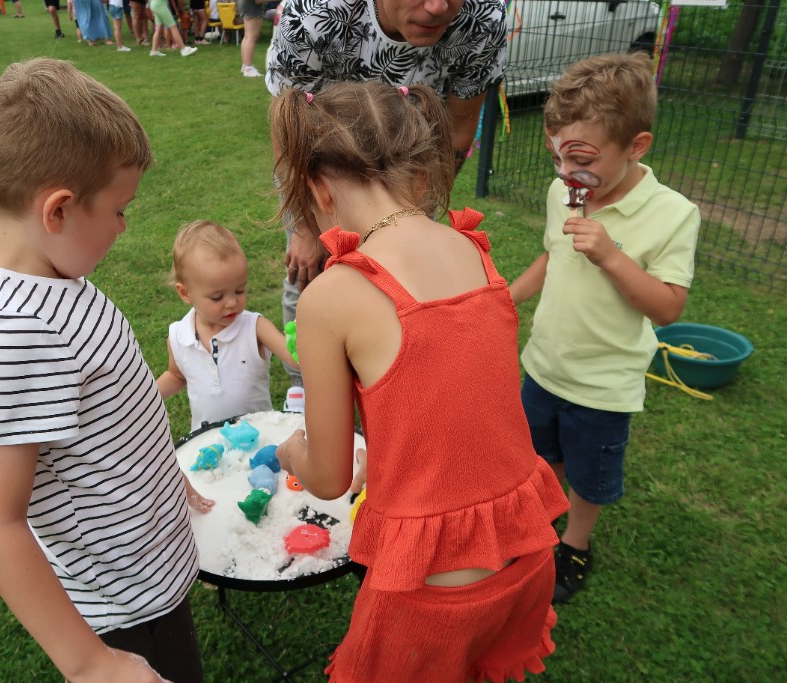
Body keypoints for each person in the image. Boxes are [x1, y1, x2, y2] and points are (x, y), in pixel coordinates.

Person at [271, 80, 569, 682]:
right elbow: (447, 407)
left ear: (318, 188)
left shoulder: (331, 296)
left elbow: (326, 478)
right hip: (527, 555)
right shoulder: (470, 247)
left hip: (432, 589)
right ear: (419, 173)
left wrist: (292, 451)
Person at [0, 58, 204, 683]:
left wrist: (160, 480)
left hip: (148, 563)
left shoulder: (52, 278)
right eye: (119, 209)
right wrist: (91, 662)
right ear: (58, 211)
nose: (124, 225)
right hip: (125, 606)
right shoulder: (14, 334)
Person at [508, 52, 701, 605]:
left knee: (590, 476)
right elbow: (553, 255)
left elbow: (668, 308)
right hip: (544, 364)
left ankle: (575, 543)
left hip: (603, 385)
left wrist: (612, 256)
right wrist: (505, 299)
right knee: (541, 455)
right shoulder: (563, 193)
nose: (566, 174)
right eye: (557, 157)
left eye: (582, 160)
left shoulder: (673, 214)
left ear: (637, 146)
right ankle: (541, 523)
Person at [265, 0, 507, 389]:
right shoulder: (314, 14)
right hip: (324, 172)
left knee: (399, 284)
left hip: (410, 178)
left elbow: (460, 129)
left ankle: (388, 375)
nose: (437, 8)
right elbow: (287, 126)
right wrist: (305, 229)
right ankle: (305, 382)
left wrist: (418, 210)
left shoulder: (483, 19)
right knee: (308, 276)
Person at [157, 220, 298, 433]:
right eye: (217, 297)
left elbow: (295, 359)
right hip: (209, 442)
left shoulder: (255, 328)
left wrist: (299, 340)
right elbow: (176, 376)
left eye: (239, 290)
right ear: (185, 293)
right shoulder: (179, 336)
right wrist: (147, 395)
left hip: (259, 436)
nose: (232, 302)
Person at [236, 0, 264, 77]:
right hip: (252, 7)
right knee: (251, 37)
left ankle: (246, 65)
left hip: (247, 5)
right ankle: (248, 68)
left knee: (248, 36)